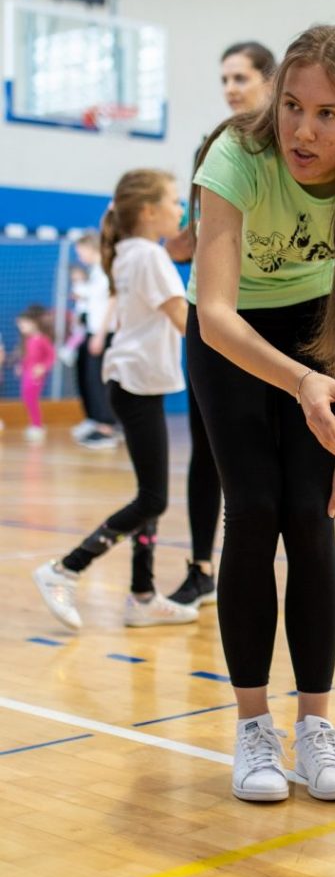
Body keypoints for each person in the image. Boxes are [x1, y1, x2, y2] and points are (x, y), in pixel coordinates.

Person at [189, 24, 335, 804]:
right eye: (292, 105)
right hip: (237, 341)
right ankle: (254, 726)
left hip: (322, 332)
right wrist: (299, 384)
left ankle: (316, 728)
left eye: (327, 114)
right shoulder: (237, 157)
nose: (302, 129)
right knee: (252, 512)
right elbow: (216, 312)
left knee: (312, 513)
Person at [33, 169, 200, 632]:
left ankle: (143, 595)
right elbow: (187, 321)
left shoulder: (131, 252)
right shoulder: (148, 256)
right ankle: (66, 568)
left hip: (133, 382)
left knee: (151, 495)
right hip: (136, 383)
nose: (179, 210)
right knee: (153, 497)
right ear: (147, 211)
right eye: (172, 201)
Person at [167, 41, 277, 608]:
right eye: (225, 79)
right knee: (206, 446)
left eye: (242, 77)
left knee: (263, 449)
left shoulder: (291, 147)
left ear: (269, 80)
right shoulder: (208, 149)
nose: (232, 88)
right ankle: (201, 566)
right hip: (209, 307)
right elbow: (195, 236)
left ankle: (259, 563)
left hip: (269, 308)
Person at [68, 232, 119, 450]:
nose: (80, 256)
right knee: (91, 378)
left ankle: (106, 426)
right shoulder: (96, 271)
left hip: (104, 332)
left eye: (81, 251)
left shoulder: (107, 269)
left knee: (100, 380)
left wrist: (99, 334)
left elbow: (112, 301)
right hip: (93, 330)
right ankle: (97, 420)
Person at [15, 304, 56, 442]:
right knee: (26, 397)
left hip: (36, 375)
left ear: (34, 323)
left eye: (24, 324)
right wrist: (21, 366)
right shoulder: (27, 340)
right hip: (27, 373)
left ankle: (37, 425)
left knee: (32, 398)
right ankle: (34, 423)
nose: (22, 328)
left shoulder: (42, 339)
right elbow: (27, 357)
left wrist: (43, 367)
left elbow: (51, 357)